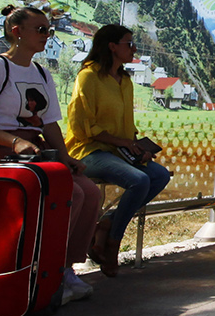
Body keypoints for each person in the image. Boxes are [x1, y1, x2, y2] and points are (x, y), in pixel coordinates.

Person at [0, 6, 103, 302]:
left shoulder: (41, 72)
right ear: (17, 32)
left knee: (89, 192)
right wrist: (14, 142)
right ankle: (43, 271)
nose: (47, 35)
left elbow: (50, 123)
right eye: (40, 29)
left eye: (49, 30)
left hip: (32, 154)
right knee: (71, 195)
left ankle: (64, 269)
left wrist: (66, 158)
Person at [64, 24, 172, 276]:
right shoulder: (88, 76)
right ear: (112, 46)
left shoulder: (125, 81)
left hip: (118, 151)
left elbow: (125, 127)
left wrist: (136, 148)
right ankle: (113, 242)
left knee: (160, 175)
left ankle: (108, 224)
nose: (134, 48)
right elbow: (81, 126)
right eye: (129, 43)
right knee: (139, 179)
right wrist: (121, 143)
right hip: (88, 150)